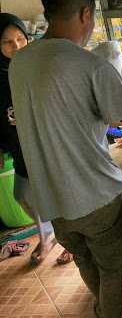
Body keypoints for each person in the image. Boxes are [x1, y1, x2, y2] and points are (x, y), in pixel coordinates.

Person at [10, 0, 122, 318]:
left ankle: (102, 307)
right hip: (94, 196)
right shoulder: (90, 65)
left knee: (85, 261)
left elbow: (57, 114)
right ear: (85, 14)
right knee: (114, 269)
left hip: (51, 200)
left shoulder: (20, 63)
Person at [0, 13, 72, 266]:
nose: (17, 46)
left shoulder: (36, 68)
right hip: (17, 147)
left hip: (43, 145)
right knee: (22, 195)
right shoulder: (0, 75)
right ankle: (50, 234)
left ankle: (69, 242)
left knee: (55, 195)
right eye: (8, 42)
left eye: (20, 39)